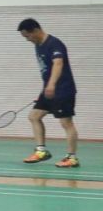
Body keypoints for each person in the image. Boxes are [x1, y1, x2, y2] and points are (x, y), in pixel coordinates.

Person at [18, 18, 79, 168]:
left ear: (36, 30)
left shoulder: (54, 44)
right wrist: (46, 88)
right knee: (34, 116)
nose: (27, 40)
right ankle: (41, 151)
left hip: (63, 89)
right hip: (48, 90)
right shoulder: (38, 45)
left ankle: (72, 158)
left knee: (66, 123)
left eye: (27, 36)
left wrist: (51, 84)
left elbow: (58, 63)